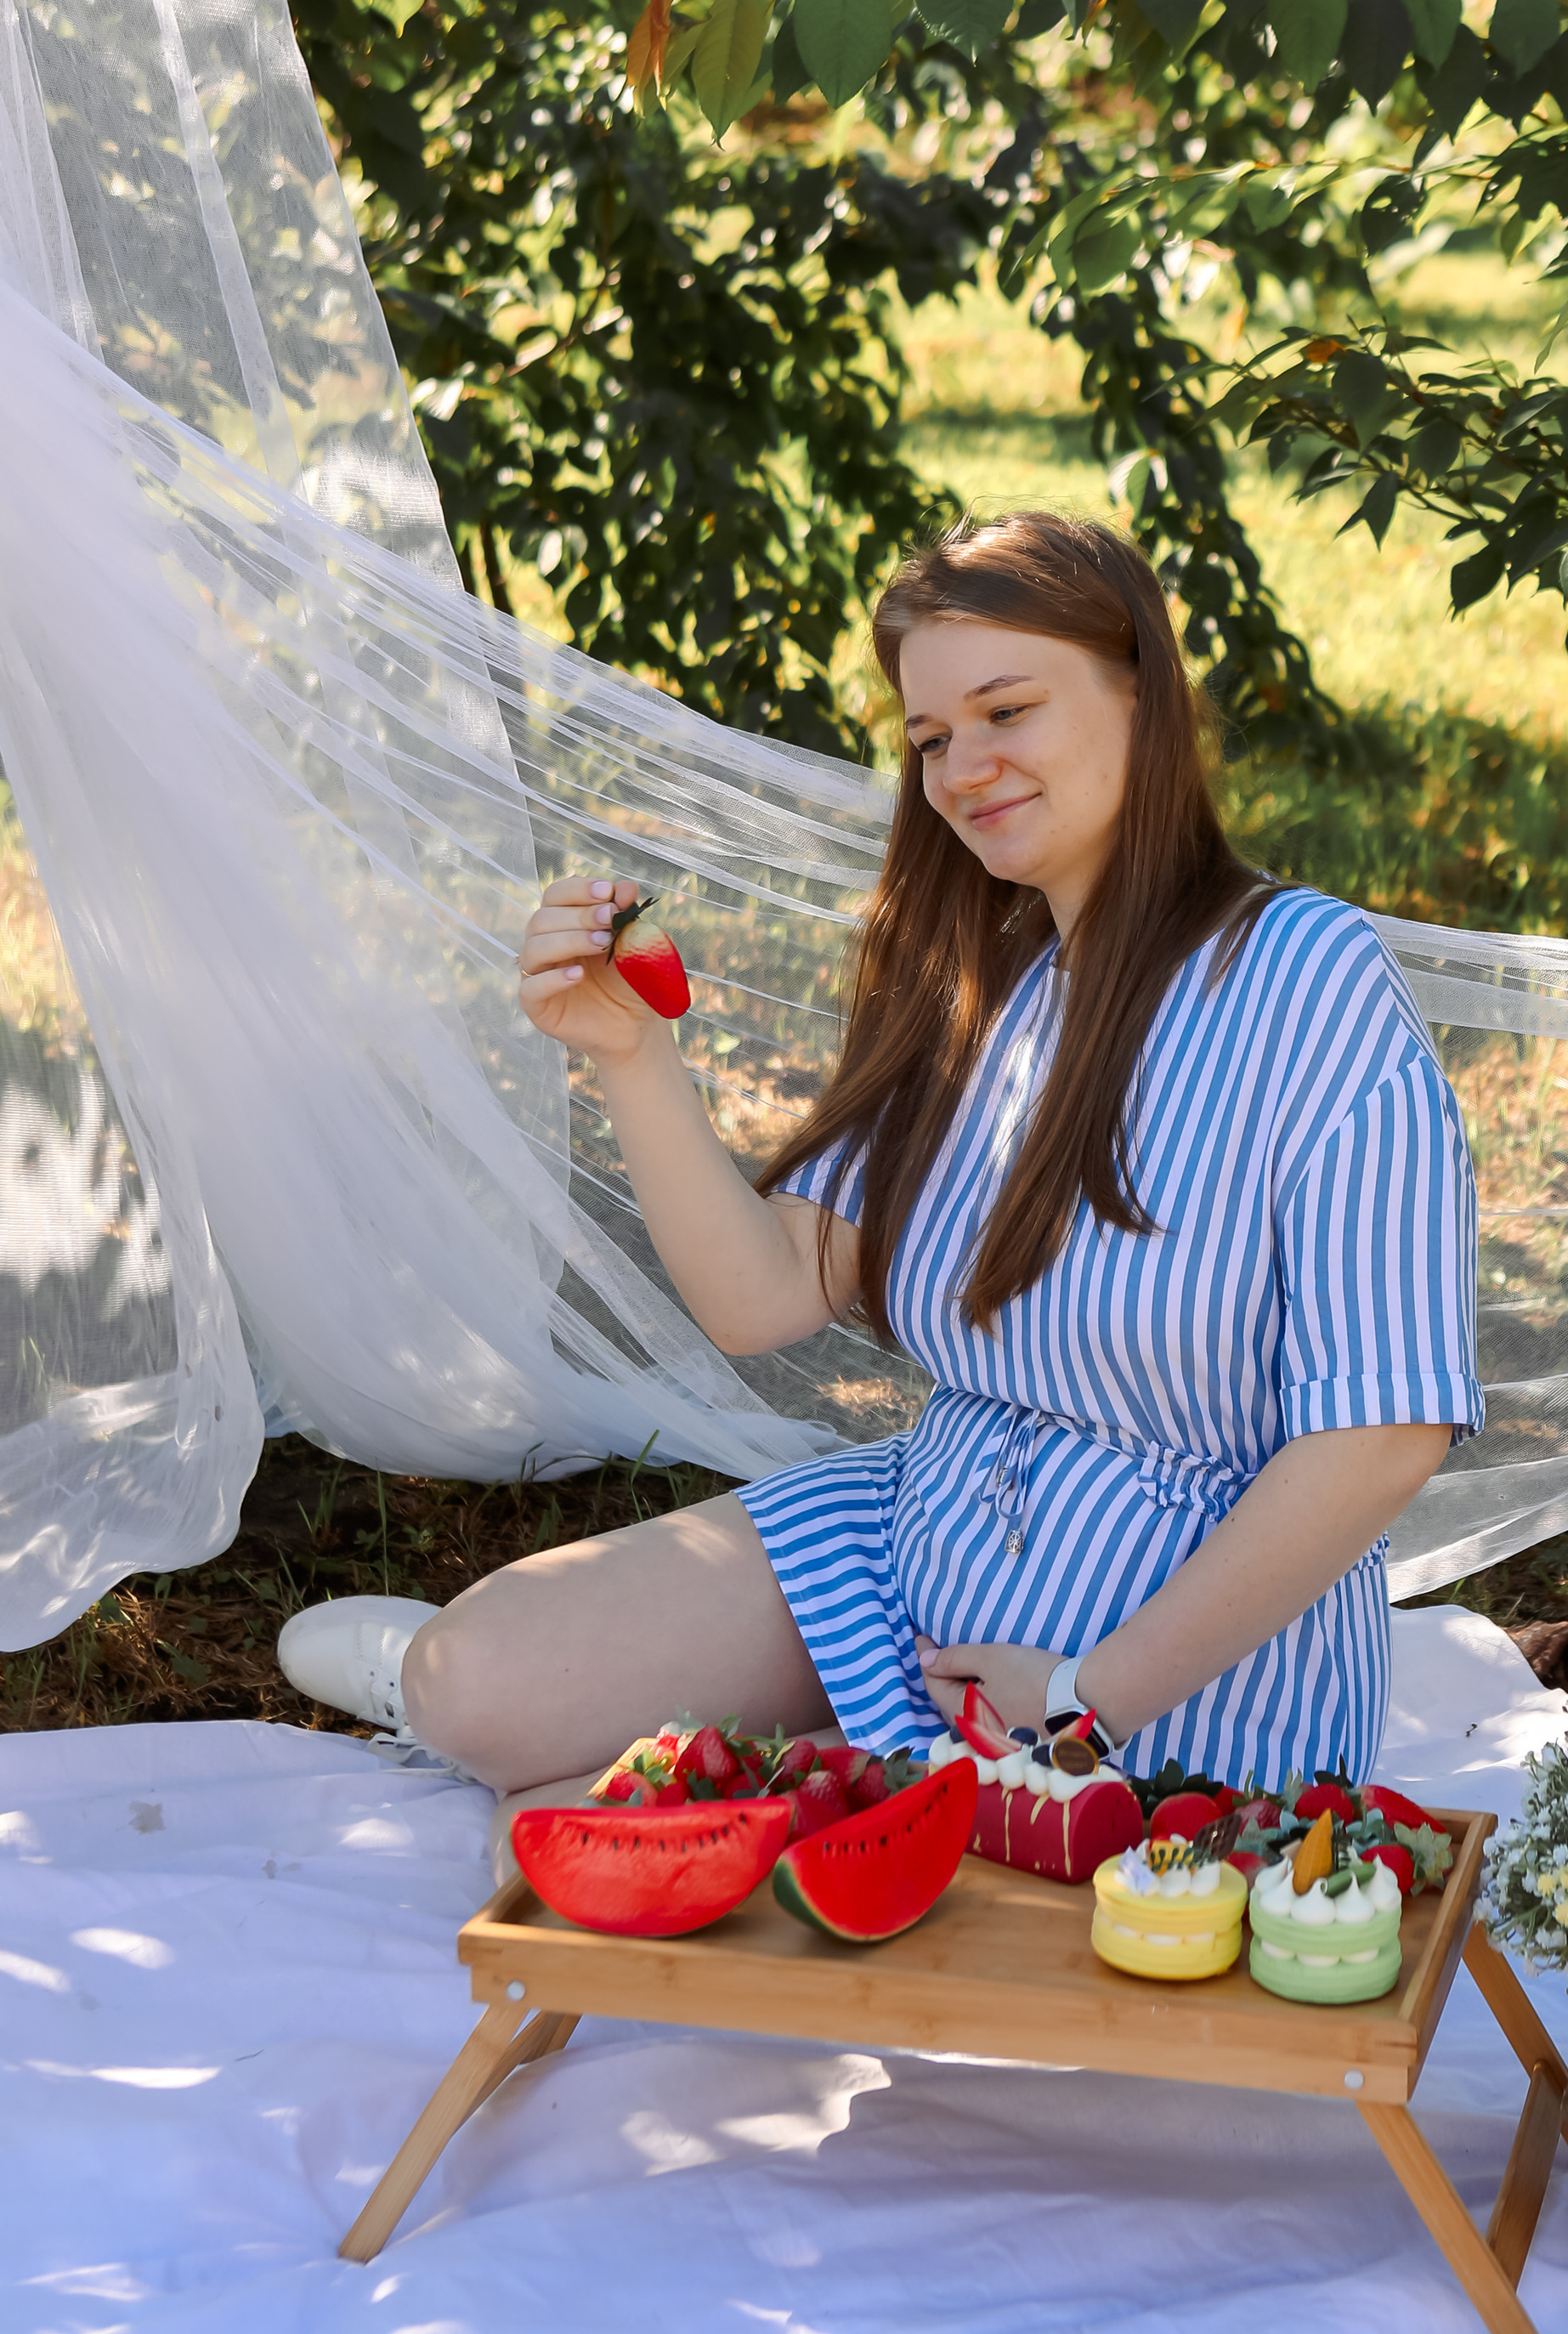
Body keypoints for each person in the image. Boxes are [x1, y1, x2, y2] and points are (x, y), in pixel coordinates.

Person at [278, 513, 1482, 1818]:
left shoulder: (1309, 979)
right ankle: (498, 1700)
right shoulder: (981, 981)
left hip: (1168, 1675)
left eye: (1006, 710)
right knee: (472, 1682)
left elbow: (1382, 1434)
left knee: (576, 1833)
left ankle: (791, 1769)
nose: (964, 769)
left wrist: (1095, 1691)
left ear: (1142, 692)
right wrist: (630, 1059)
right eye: (931, 740)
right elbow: (761, 1297)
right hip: (917, 1533)